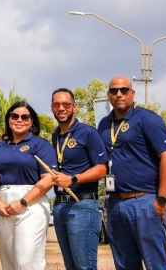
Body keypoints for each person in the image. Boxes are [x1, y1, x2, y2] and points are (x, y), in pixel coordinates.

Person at [97, 76, 166, 270]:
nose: (119, 95)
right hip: (115, 203)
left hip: (144, 201)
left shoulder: (147, 118)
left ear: (132, 94)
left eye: (124, 90)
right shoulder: (104, 124)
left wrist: (162, 200)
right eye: (114, 91)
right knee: (124, 265)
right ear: (108, 95)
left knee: (155, 264)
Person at [0, 101, 57, 270]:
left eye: (25, 117)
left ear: (31, 121)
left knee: (27, 262)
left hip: (31, 203)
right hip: (3, 205)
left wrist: (22, 202)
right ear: (9, 120)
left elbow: (48, 178)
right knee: (10, 263)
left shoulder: (40, 144)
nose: (19, 120)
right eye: (15, 116)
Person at [49, 88, 107, 270]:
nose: (61, 108)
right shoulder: (55, 135)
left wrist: (73, 179)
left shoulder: (88, 133)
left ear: (75, 107)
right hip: (59, 206)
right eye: (56, 104)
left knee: (85, 266)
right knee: (71, 266)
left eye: (66, 104)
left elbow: (102, 169)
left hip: (83, 206)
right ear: (52, 108)